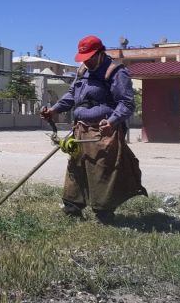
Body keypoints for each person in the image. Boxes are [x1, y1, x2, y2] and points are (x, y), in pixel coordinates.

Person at [41, 35, 147, 224]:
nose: (86, 61)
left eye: (90, 57)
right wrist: (54, 110)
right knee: (76, 167)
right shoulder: (82, 71)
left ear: (100, 53)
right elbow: (72, 95)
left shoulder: (116, 72)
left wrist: (113, 121)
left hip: (103, 132)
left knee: (102, 170)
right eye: (83, 58)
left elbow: (126, 103)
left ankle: (103, 213)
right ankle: (72, 207)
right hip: (80, 129)